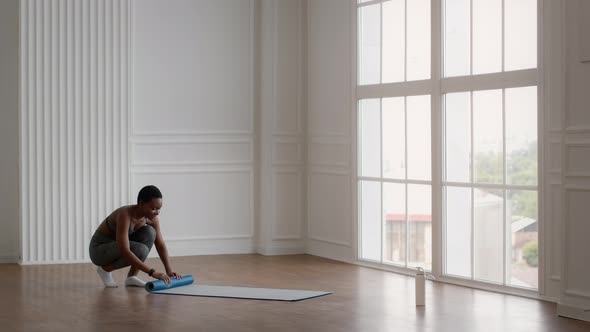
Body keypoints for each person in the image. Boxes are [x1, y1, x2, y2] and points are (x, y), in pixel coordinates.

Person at [89, 185, 182, 288]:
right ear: (141, 203)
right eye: (153, 208)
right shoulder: (125, 215)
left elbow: (160, 245)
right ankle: (105, 270)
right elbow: (124, 249)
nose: (157, 213)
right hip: (98, 250)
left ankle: (131, 277)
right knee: (140, 250)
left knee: (150, 232)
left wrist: (169, 271)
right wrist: (152, 272)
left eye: (159, 209)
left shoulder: (152, 219)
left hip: (117, 246)